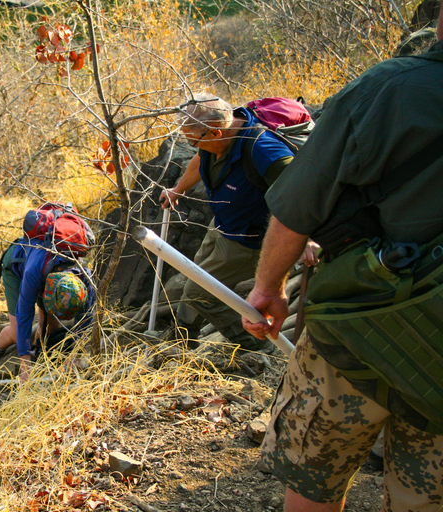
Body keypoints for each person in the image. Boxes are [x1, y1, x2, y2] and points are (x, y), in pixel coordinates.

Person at [243, 9, 443, 511]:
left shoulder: (387, 89)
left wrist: (269, 288)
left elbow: (297, 209)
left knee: (313, 481)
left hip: (357, 333)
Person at [159, 92, 296, 352]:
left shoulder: (264, 150)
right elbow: (200, 160)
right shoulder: (218, 137)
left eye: (193, 140)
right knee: (194, 278)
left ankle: (259, 348)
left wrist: (308, 237)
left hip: (248, 241)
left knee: (201, 295)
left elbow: (301, 193)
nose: (192, 147)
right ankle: (183, 337)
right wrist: (178, 189)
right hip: (222, 225)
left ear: (215, 134)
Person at [0, 237, 95, 382]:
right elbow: (24, 315)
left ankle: (39, 354)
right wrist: (25, 365)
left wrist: (76, 355)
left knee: (51, 325)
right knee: (18, 333)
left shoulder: (85, 279)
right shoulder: (32, 273)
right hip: (16, 263)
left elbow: (86, 319)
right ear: (46, 293)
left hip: (48, 269)